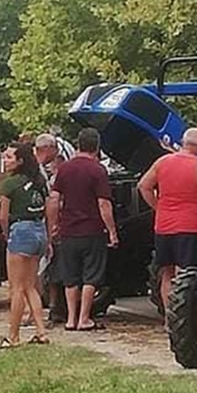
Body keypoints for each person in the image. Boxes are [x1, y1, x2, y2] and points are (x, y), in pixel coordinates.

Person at [138, 129, 197, 349]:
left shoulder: (163, 162)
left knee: (167, 273)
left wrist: (159, 208)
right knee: (188, 274)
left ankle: (169, 319)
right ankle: (183, 319)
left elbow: (144, 186)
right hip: (190, 226)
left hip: (164, 225)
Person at [48, 128, 118, 332]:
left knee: (71, 276)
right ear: (97, 147)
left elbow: (54, 199)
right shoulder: (98, 170)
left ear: (78, 144)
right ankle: (84, 318)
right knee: (91, 275)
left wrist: (54, 224)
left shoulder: (64, 169)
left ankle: (70, 319)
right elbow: (104, 203)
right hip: (92, 229)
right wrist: (112, 231)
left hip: (68, 230)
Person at [0, 142, 51, 349]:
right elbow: (48, 207)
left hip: (20, 230)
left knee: (16, 287)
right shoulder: (39, 181)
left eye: (9, 157)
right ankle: (41, 331)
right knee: (30, 286)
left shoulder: (9, 184)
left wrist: (7, 234)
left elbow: (3, 216)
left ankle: (13, 335)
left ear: (20, 161)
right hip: (39, 230)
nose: (6, 160)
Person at [34, 133, 66, 322]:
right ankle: (49, 307)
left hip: (48, 224)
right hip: (47, 224)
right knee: (48, 267)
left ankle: (51, 308)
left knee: (51, 267)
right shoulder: (38, 172)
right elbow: (52, 201)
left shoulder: (44, 172)